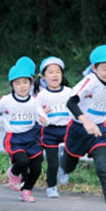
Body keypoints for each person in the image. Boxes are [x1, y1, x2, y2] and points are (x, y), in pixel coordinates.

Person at [59, 45, 106, 211]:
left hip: (98, 131)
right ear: (94, 68)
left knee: (103, 168)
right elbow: (71, 102)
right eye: (105, 68)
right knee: (68, 167)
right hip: (79, 130)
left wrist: (101, 116)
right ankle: (62, 160)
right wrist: (86, 121)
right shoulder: (89, 82)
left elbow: (97, 102)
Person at [0, 65, 45, 202]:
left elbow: (41, 116)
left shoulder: (34, 101)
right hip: (14, 138)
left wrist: (44, 119)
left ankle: (26, 190)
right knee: (23, 161)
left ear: (31, 83)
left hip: (31, 138)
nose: (22, 86)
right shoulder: (6, 100)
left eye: (25, 82)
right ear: (12, 85)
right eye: (17, 83)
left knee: (37, 166)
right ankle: (13, 173)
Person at [34, 56, 72, 198]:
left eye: (58, 72)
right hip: (49, 132)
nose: (55, 75)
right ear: (44, 77)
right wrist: (43, 115)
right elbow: (37, 112)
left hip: (67, 130)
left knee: (70, 155)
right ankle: (51, 187)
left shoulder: (69, 92)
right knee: (52, 163)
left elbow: (79, 106)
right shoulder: (42, 95)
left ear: (62, 74)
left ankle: (65, 169)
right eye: (50, 72)